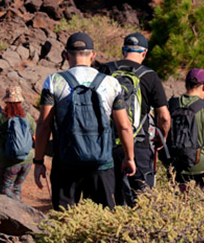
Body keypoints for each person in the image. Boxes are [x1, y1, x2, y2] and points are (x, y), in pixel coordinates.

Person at [33, 32, 135, 210]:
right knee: (103, 219)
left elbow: (44, 125)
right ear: (93, 55)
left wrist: (38, 161)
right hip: (101, 162)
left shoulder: (54, 81)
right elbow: (124, 127)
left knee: (64, 217)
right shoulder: (111, 83)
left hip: (66, 163)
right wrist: (129, 157)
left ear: (66, 55)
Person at [100, 32, 171, 206]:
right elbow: (164, 116)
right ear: (144, 53)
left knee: (109, 197)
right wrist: (162, 136)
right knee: (142, 199)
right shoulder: (150, 76)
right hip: (139, 145)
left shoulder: (106, 70)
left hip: (107, 145)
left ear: (124, 50)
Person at [0, 86, 37, 201]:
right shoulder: (27, 117)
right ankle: (19, 211)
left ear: (7, 101)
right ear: (20, 101)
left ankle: (18, 209)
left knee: (5, 189)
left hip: (9, 161)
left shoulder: (1, 117)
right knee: (17, 188)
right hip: (27, 160)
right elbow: (35, 137)